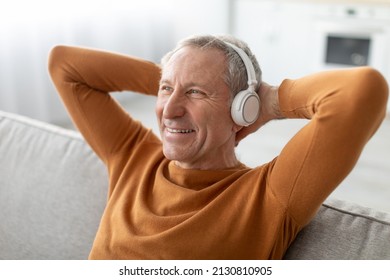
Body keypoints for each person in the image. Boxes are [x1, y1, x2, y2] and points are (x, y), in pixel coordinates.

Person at [48, 34, 388, 259]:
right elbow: (64, 64)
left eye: (196, 93)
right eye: (165, 91)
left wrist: (269, 101)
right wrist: (175, 75)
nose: (169, 110)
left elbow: (363, 90)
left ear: (243, 107)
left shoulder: (268, 196)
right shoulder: (133, 156)